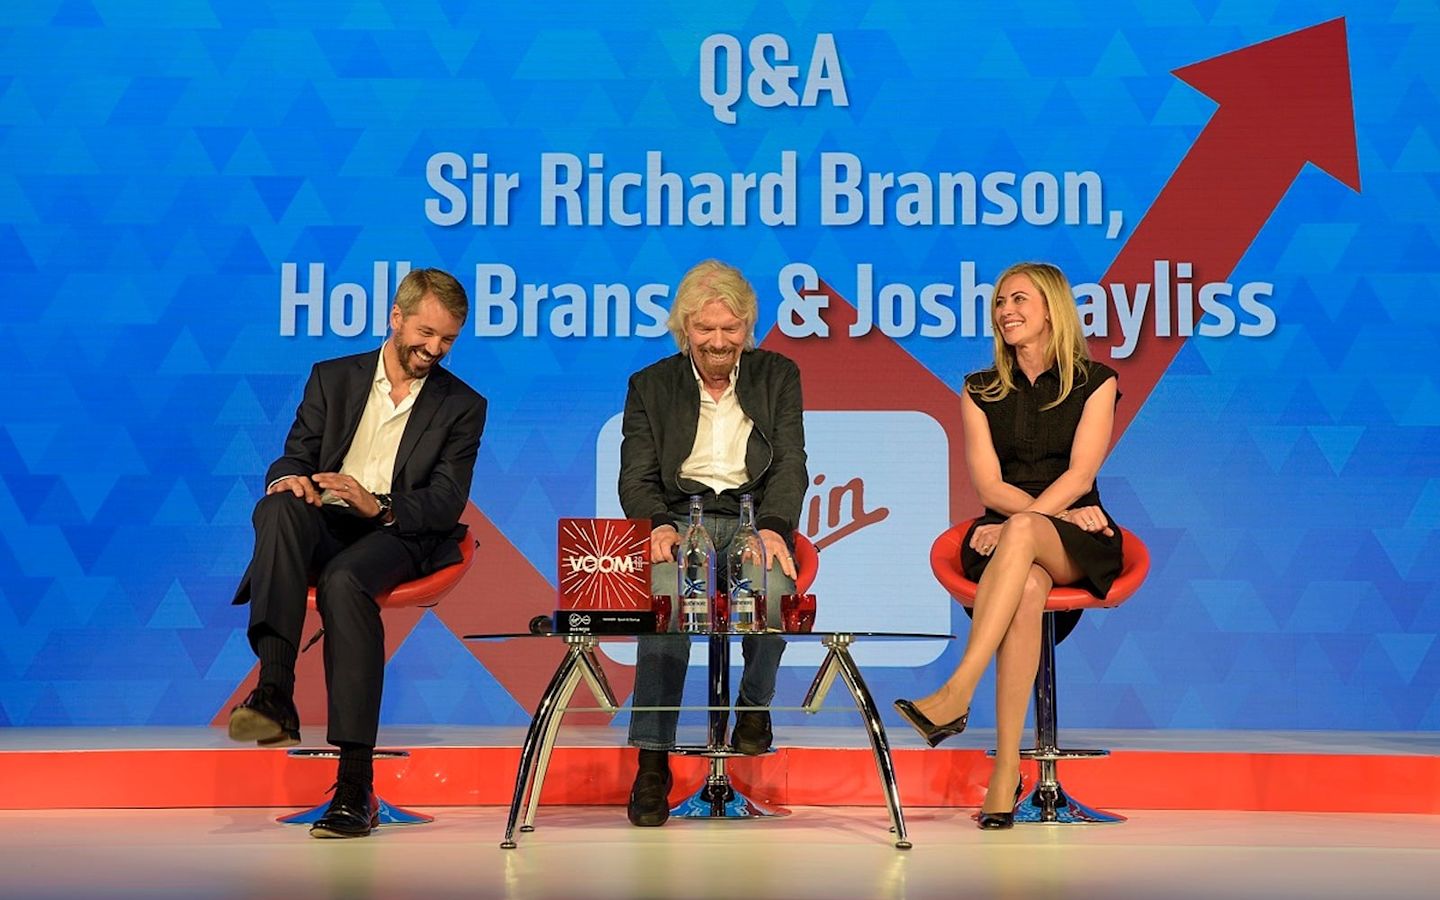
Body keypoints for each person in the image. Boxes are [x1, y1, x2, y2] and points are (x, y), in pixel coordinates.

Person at [228, 268, 487, 838]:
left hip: (399, 533)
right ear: (396, 317)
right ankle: (275, 692)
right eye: (425, 333)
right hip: (327, 520)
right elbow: (295, 455)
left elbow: (445, 501)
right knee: (277, 507)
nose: (434, 349)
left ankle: (354, 784)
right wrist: (289, 479)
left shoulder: (463, 404)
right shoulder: (333, 377)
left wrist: (380, 506)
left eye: (447, 340)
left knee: (345, 581)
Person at [894, 262, 1122, 830]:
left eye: (1019, 299)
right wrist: (1031, 520)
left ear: (1052, 309)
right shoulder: (980, 390)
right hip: (1012, 534)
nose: (1005, 310)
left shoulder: (1097, 382)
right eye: (999, 301)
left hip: (1078, 536)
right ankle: (1005, 775)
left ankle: (958, 690)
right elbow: (989, 487)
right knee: (1025, 586)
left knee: (1020, 534)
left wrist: (1035, 521)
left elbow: (1079, 475)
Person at [618, 259, 808, 827]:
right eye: (705, 329)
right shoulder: (650, 385)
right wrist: (656, 523)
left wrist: (774, 526)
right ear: (684, 329)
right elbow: (636, 475)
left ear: (748, 327)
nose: (719, 342)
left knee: (775, 591)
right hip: (681, 521)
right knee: (664, 604)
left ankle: (752, 709)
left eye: (731, 329)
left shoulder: (778, 374)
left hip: (753, 519)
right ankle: (652, 763)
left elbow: (791, 462)